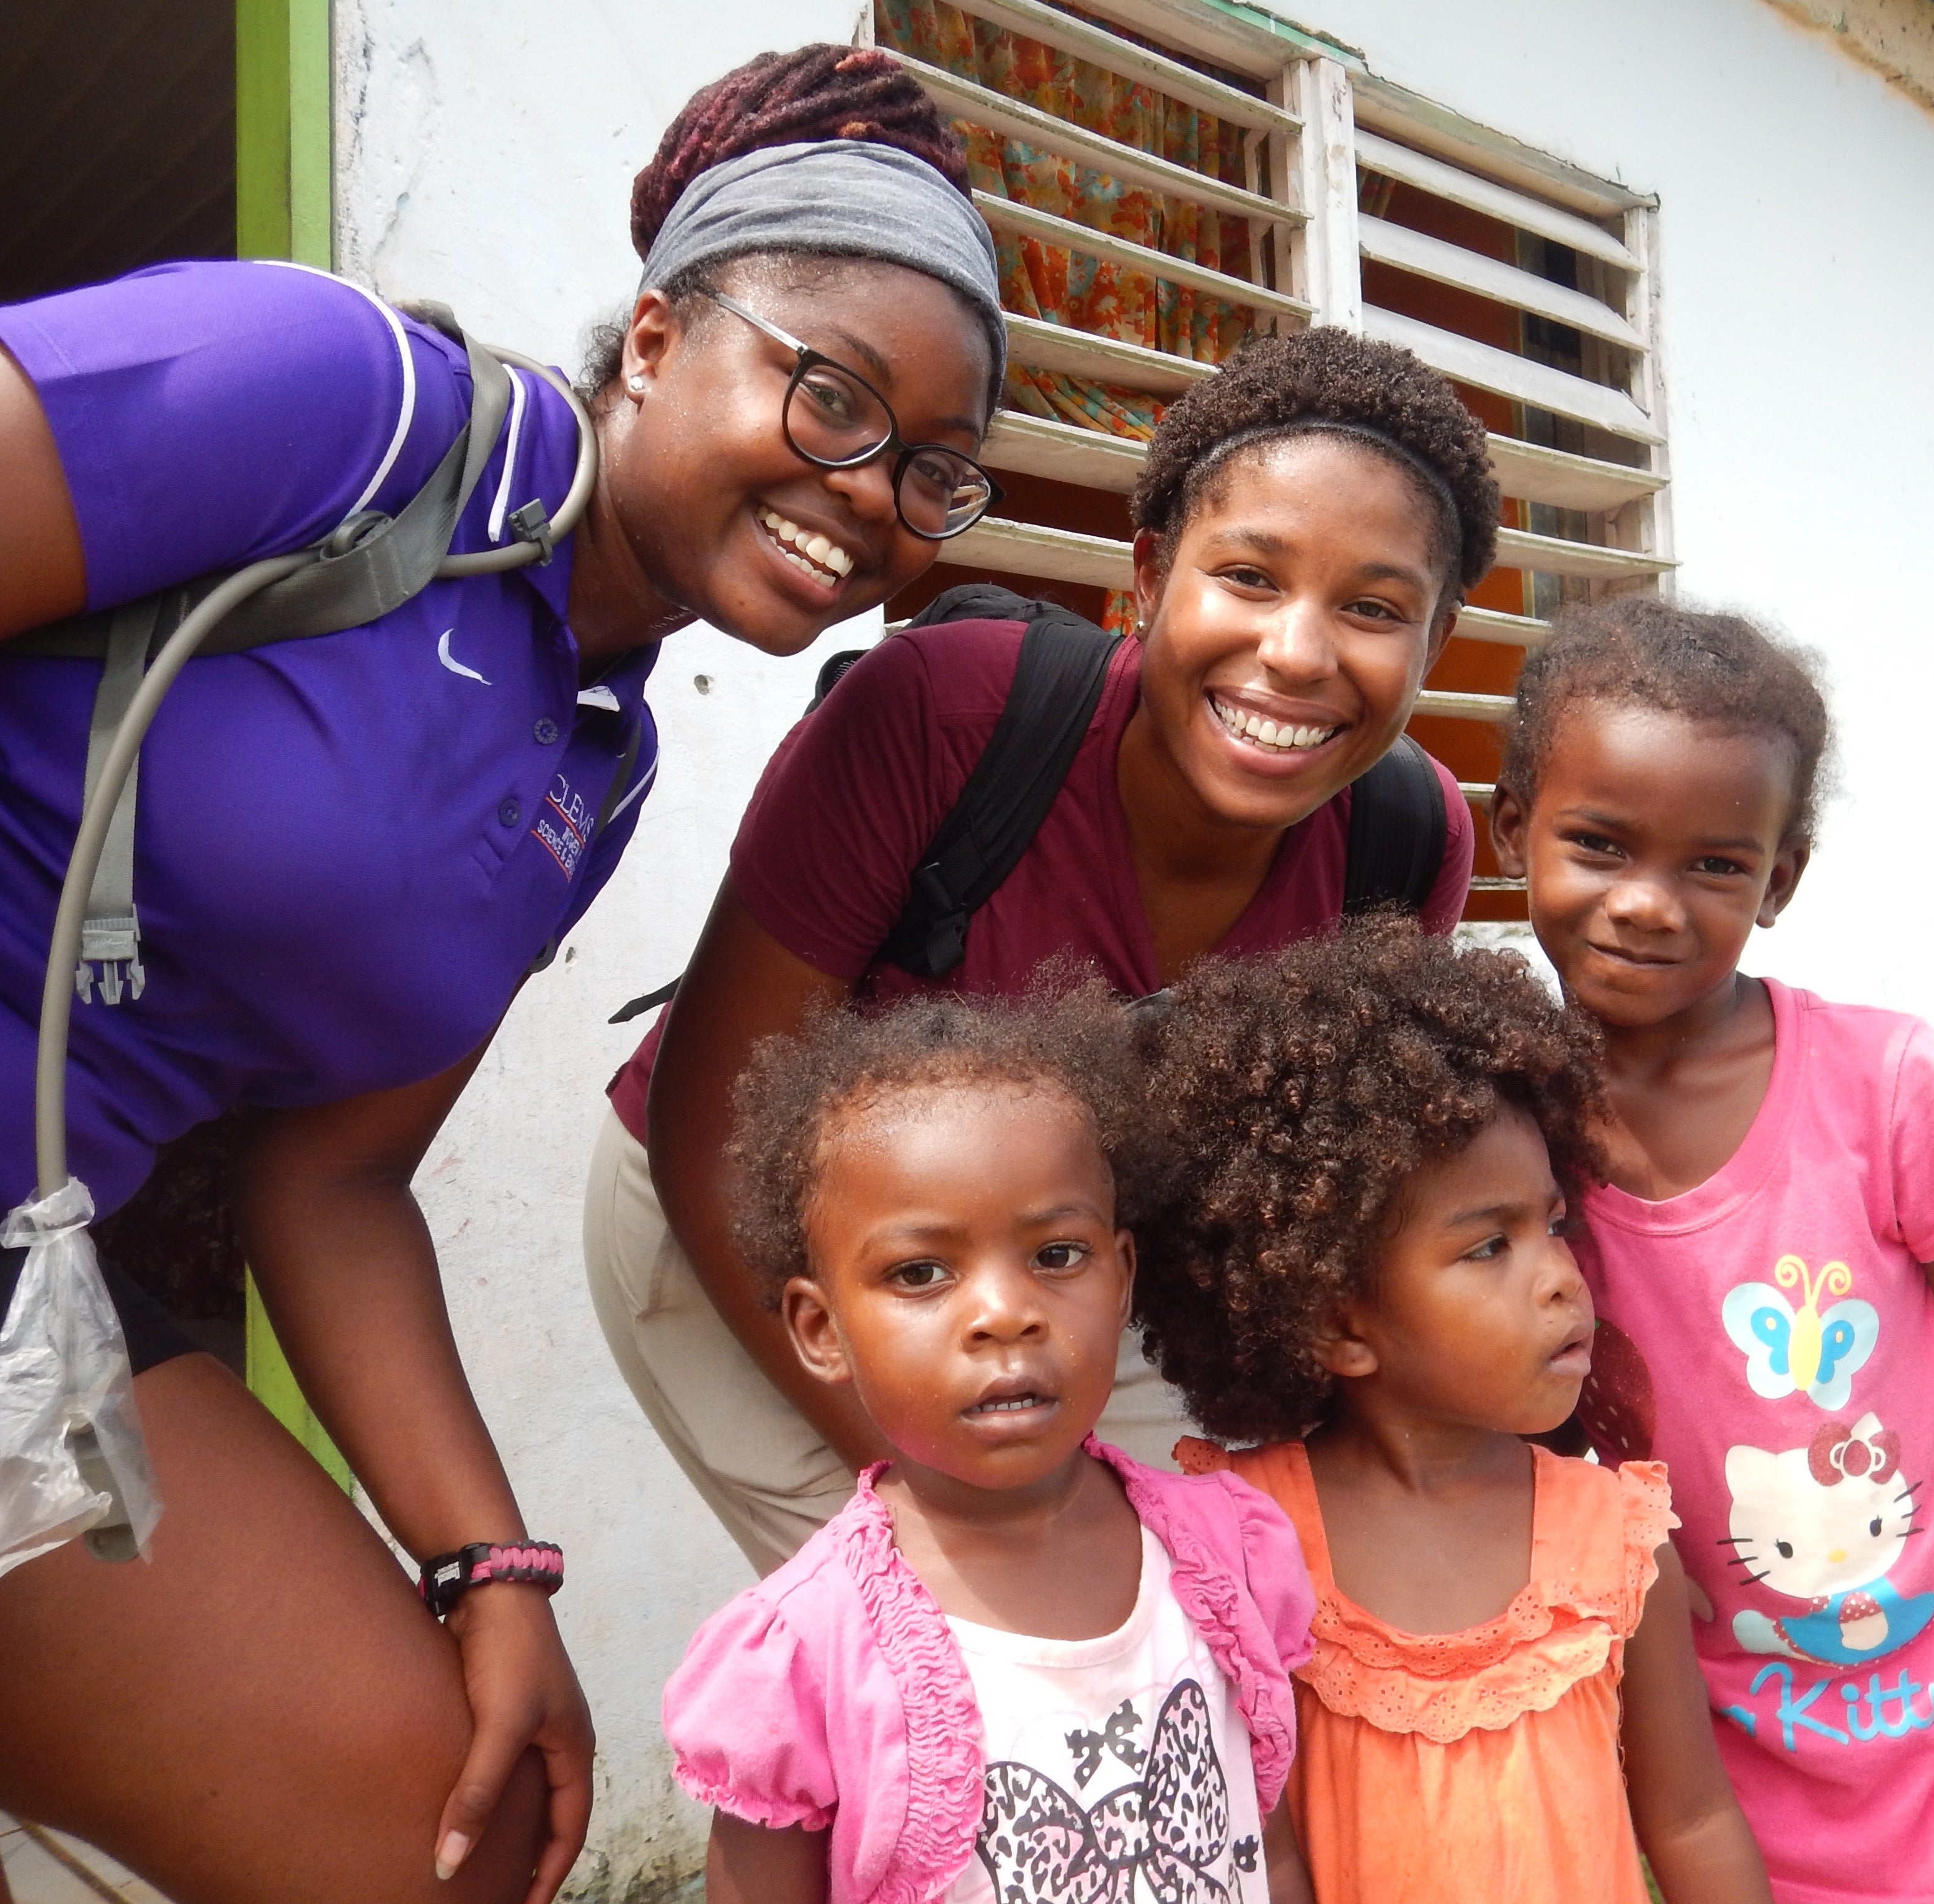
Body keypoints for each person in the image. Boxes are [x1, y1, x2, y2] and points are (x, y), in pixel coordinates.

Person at [0, 43, 1011, 1904]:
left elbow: (335, 1176)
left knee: (456, 1833)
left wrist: (489, 1563)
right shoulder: (331, 399)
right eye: (831, 395)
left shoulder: (594, 763)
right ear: (656, 342)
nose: (870, 495)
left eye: (934, 469)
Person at [592, 327, 1496, 1571]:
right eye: (1247, 578)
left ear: (1434, 645)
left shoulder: (1405, 841)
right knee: (945, 1643)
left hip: (1059, 1257)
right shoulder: (942, 717)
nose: (1296, 652)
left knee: (1179, 1605)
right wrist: (952, 1494)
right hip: (744, 1224)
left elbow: (1313, 1201)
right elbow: (715, 1120)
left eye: (1374, 609)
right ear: (1149, 574)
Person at [1486, 600, 1934, 1904]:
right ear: (1514, 831)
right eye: (1600, 845)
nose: (1647, 905)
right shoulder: (1501, 1142)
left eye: (1716, 866)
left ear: (1780, 880)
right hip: (1703, 1785)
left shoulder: (1884, 1086)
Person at [1135, 918, 1776, 1904]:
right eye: (1490, 1248)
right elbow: (1256, 1851)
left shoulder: (1614, 1535)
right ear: (1339, 1319)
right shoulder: (1237, 1542)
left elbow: (1691, 1820)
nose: (1562, 1279)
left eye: (1553, 1225)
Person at [663, 985, 1316, 1904]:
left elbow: (1273, 1850)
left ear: (1122, 1276)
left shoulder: (1229, 1554)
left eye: (1057, 1256)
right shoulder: (805, 1653)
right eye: (921, 1273)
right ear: (820, 1329)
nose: (1006, 1313)